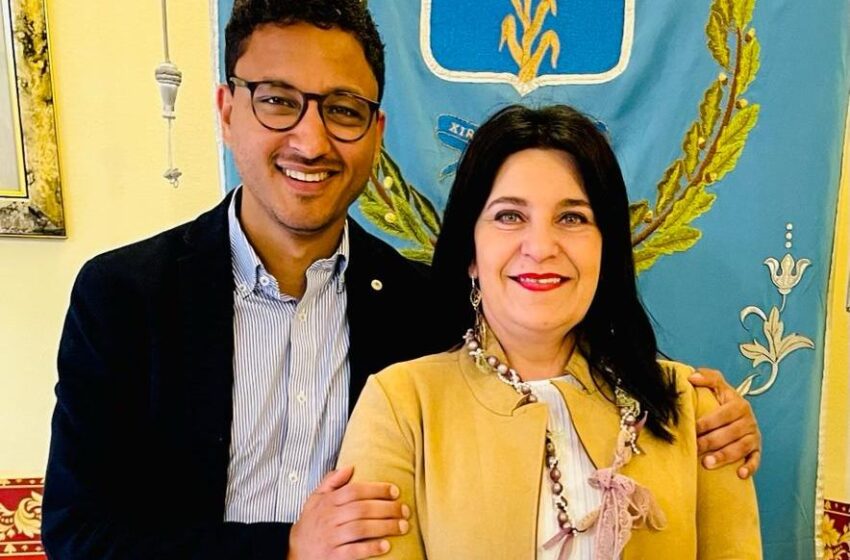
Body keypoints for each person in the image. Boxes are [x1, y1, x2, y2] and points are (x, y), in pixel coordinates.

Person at [42, 1, 759, 558]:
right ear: (228, 112)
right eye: (278, 100)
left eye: (342, 110)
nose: (311, 140)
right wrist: (286, 549)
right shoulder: (126, 297)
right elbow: (78, 534)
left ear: (377, 130)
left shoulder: (424, 305)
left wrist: (719, 424)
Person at [336, 104, 762, 559]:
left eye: (572, 218)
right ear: (471, 252)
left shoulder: (696, 408)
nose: (540, 247)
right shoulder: (400, 404)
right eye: (509, 216)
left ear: (606, 247)